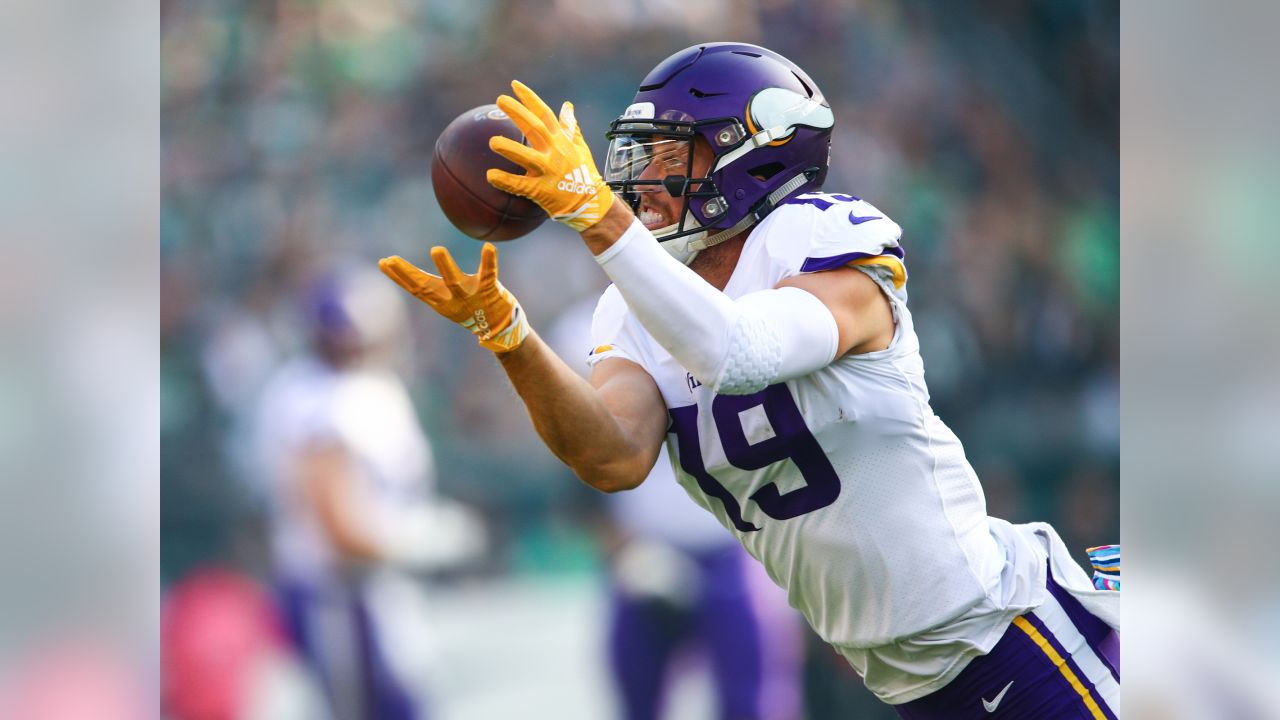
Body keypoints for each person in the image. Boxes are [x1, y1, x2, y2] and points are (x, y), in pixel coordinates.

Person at [380, 43, 1119, 718]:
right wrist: (511, 339)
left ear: (753, 156)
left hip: (1011, 635)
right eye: (636, 159)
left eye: (670, 155)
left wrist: (600, 220)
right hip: (911, 682)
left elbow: (739, 350)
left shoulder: (827, 236)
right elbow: (612, 455)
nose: (644, 181)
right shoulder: (635, 300)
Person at [546, 297, 804, 720]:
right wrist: (618, 546)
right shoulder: (591, 327)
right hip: (645, 552)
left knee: (754, 702)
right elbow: (574, 457)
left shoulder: (745, 302)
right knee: (636, 692)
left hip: (737, 550)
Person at [253, 264, 485, 720]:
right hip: (338, 596)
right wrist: (415, 540)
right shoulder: (313, 398)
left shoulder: (373, 386)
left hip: (374, 590)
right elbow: (337, 526)